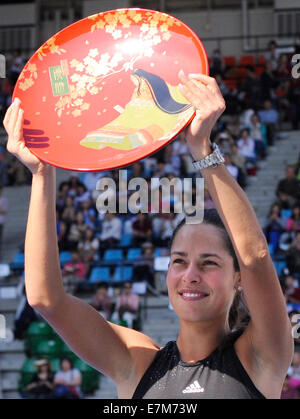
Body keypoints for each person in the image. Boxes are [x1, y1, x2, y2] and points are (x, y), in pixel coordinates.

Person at [4, 72, 293, 399]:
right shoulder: (135, 361)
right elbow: (46, 299)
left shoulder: (260, 355)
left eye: (208, 263)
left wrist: (201, 148)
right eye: (179, 261)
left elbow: (254, 256)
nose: (190, 275)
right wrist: (41, 174)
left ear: (238, 277)